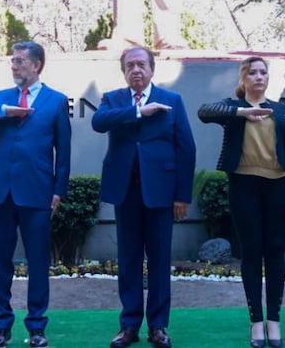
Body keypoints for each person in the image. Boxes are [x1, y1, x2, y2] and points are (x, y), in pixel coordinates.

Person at [0, 42, 71, 348]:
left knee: (37, 262)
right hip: (0, 190)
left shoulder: (56, 101)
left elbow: (64, 151)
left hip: (37, 191)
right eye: (12, 61)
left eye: (20, 61)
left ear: (36, 65)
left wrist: (59, 190)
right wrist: (2, 111)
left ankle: (36, 327)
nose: (14, 66)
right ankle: (2, 328)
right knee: (0, 262)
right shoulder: (1, 98)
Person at [92, 47, 196, 348]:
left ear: (152, 69)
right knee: (128, 260)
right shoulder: (113, 99)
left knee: (160, 259)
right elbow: (99, 123)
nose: (135, 70)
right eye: (129, 66)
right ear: (124, 71)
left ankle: (159, 327)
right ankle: (129, 326)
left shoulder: (171, 100)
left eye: (141, 65)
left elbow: (186, 149)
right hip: (126, 192)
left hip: (161, 193)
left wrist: (182, 196)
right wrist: (139, 111)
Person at [197, 57, 285, 348]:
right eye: (252, 72)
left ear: (268, 78)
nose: (258, 77)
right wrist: (242, 111)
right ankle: (256, 323)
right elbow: (203, 112)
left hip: (278, 186)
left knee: (275, 253)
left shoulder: (281, 110)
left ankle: (274, 321)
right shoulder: (233, 108)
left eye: (263, 72)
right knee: (251, 253)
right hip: (243, 185)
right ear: (244, 79)